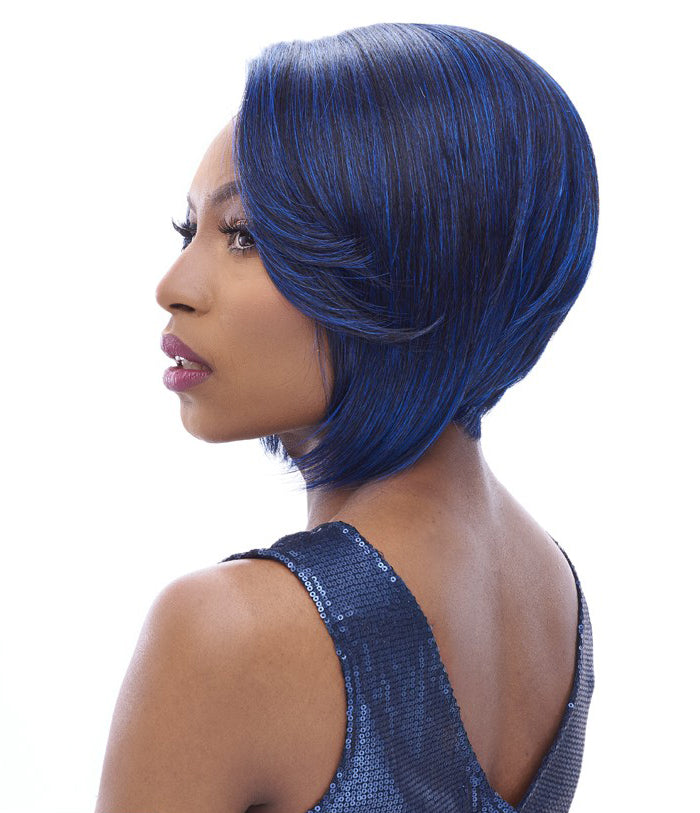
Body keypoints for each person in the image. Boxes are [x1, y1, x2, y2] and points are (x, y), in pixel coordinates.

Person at [95, 22, 597, 813]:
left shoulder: (223, 634)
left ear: (406, 264)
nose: (173, 286)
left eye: (244, 235)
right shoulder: (556, 591)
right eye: (189, 231)